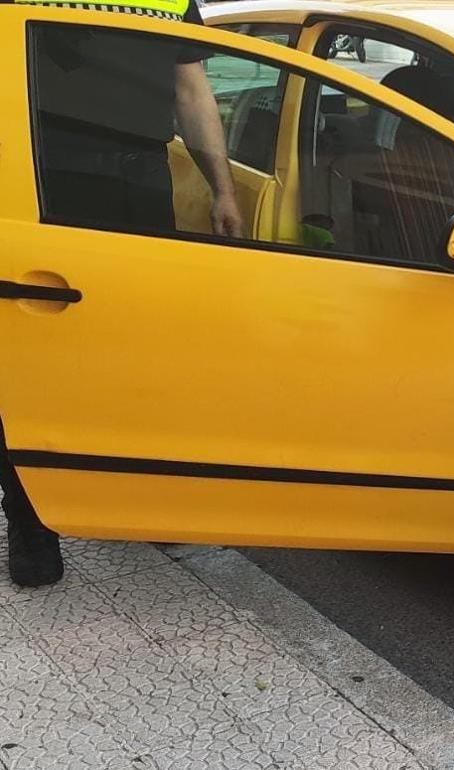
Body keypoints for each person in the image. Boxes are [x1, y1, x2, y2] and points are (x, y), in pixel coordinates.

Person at [5, 0, 241, 588]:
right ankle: (32, 525)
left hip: (136, 181)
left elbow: (192, 91)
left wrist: (224, 189)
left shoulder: (170, 1)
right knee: (28, 359)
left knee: (138, 350)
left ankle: (141, 500)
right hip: (31, 181)